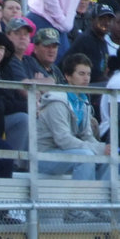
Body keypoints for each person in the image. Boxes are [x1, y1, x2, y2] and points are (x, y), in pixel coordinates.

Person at [37, 51, 106, 181]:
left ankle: (101, 198)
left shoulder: (83, 100)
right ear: (68, 76)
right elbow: (63, 139)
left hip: (66, 152)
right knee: (86, 156)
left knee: (109, 157)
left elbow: (87, 136)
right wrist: (97, 149)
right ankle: (83, 200)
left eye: (88, 74)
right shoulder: (57, 101)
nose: (86, 79)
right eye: (81, 74)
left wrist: (103, 149)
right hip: (44, 155)